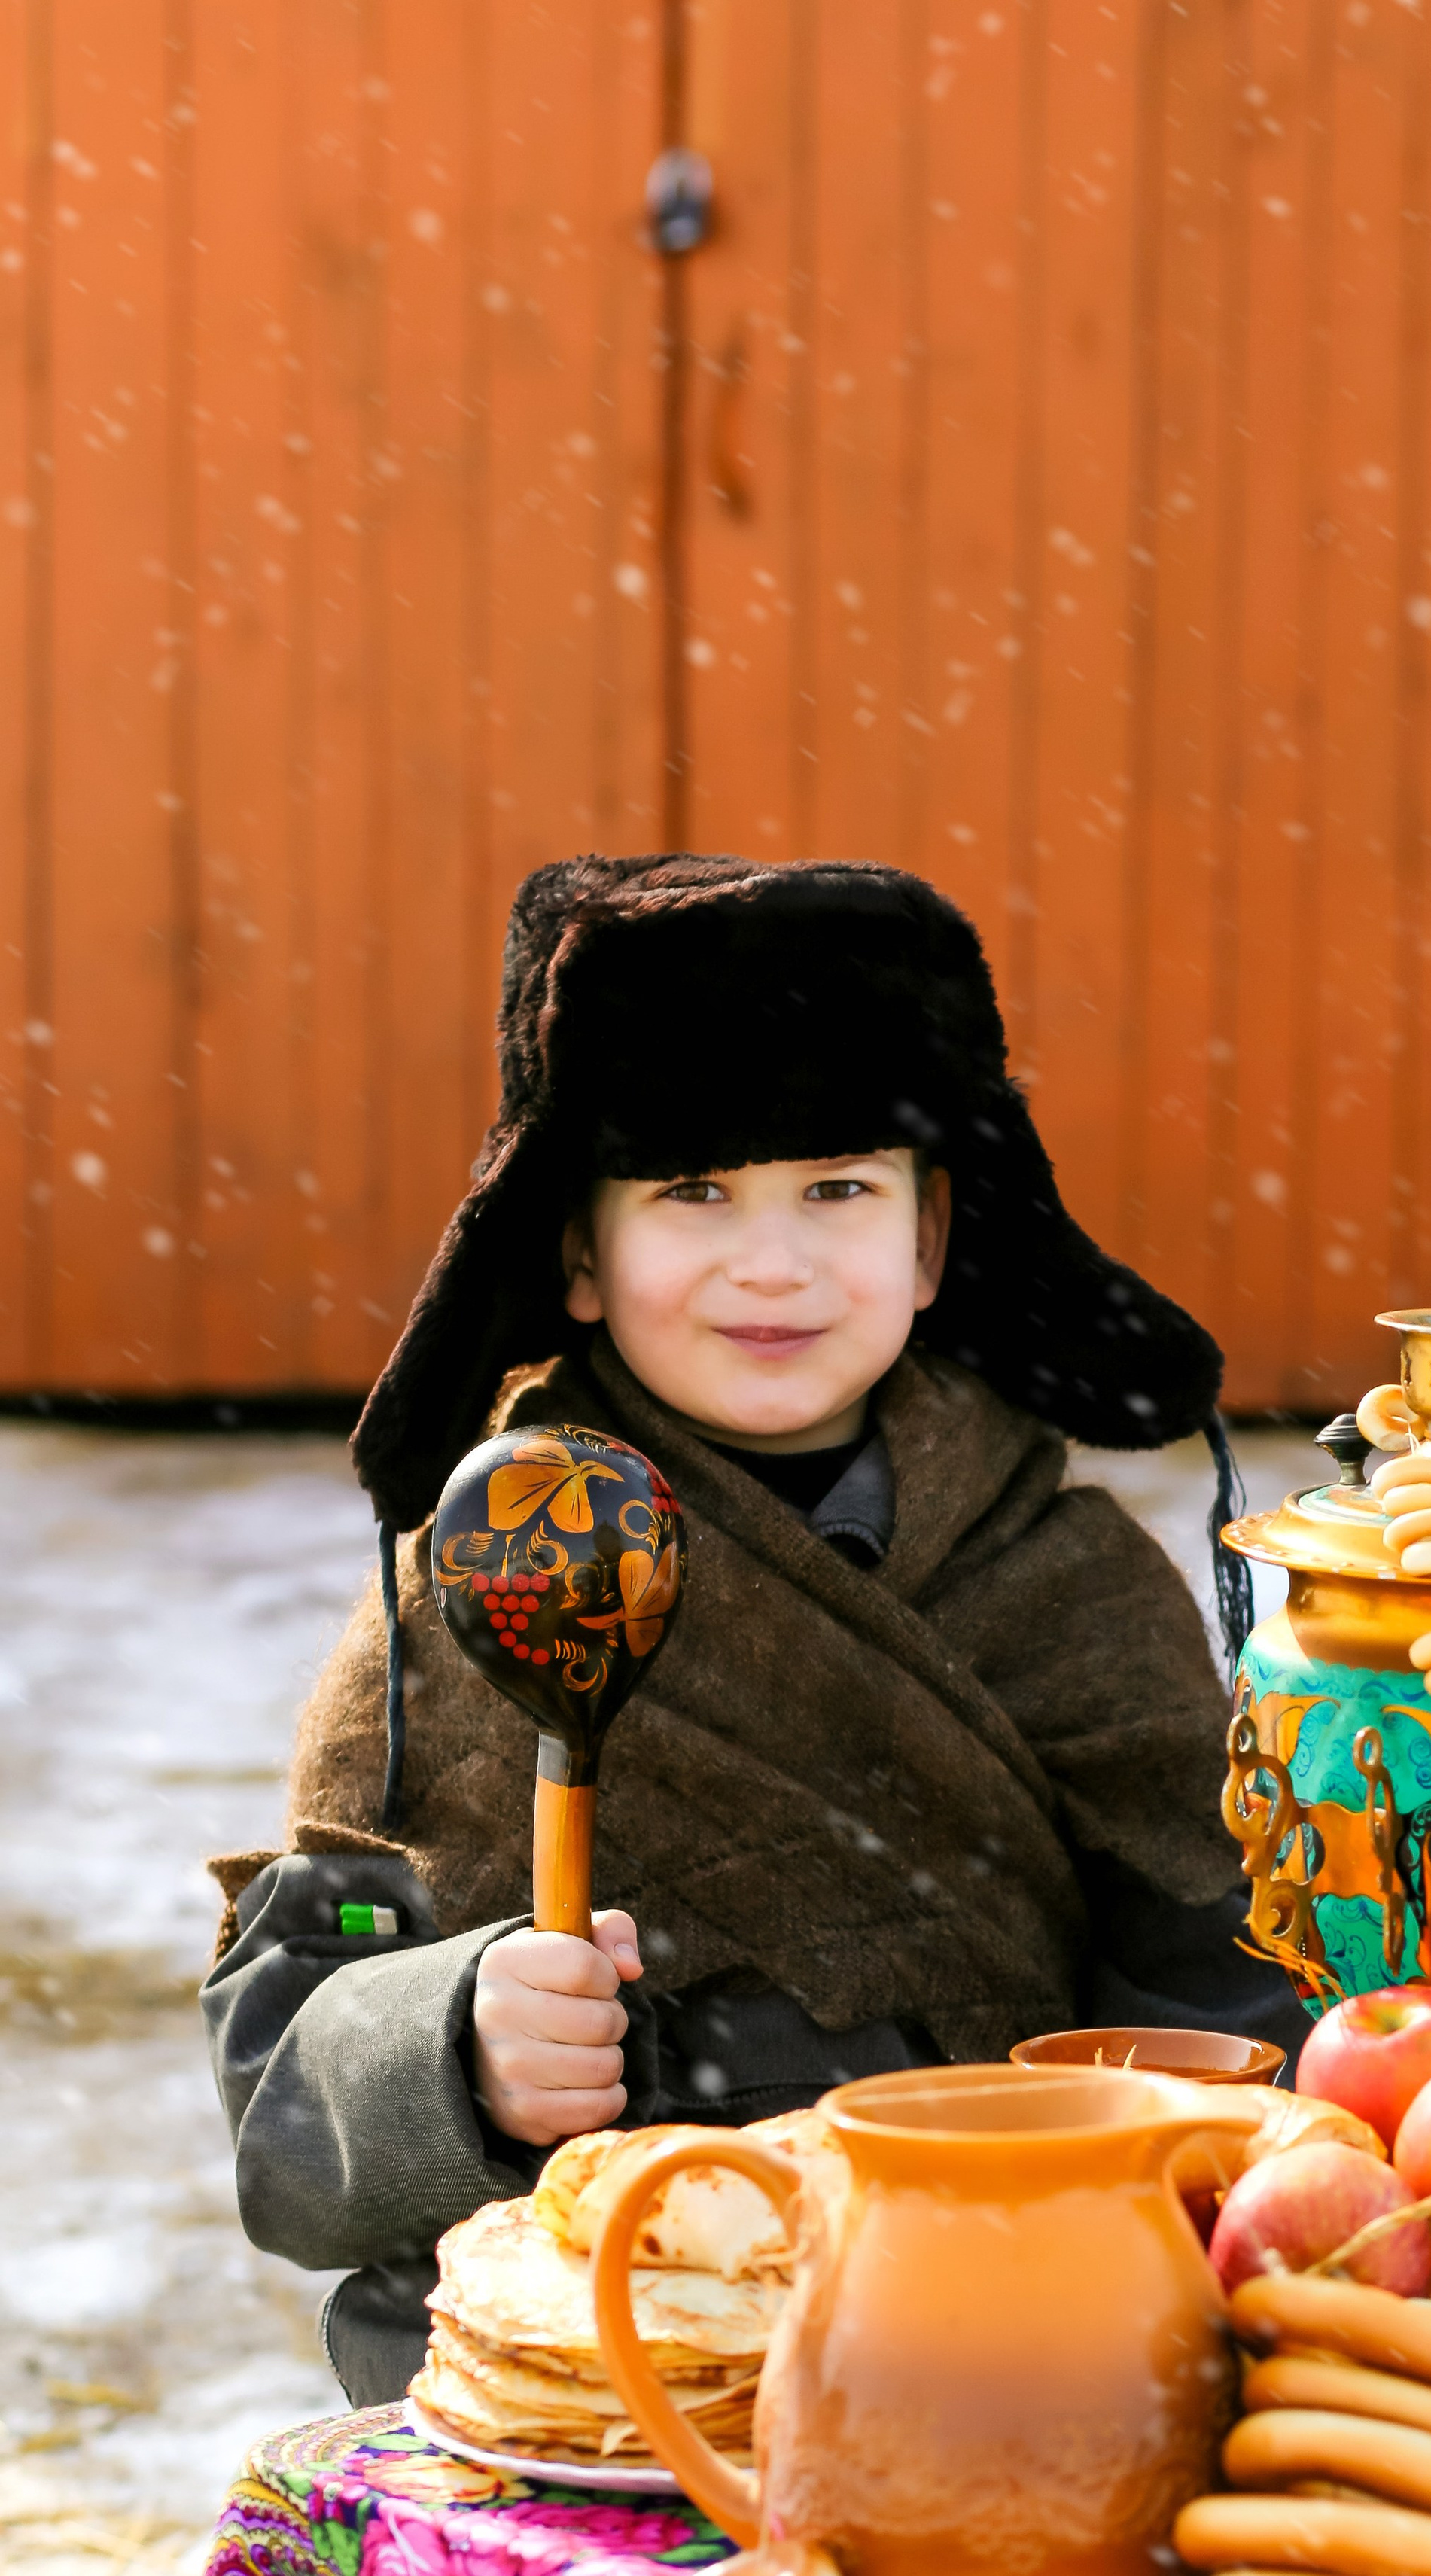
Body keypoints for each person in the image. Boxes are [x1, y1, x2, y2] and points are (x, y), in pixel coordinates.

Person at [204, 855, 1308, 2405]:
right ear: (577, 1257)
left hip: (1000, 2353)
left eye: (838, 1189)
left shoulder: (1070, 1582)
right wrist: (454, 2042)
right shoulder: (473, 1604)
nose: (772, 1261)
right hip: (580, 2391)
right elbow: (283, 2117)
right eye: (692, 1193)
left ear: (931, 1243)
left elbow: (1223, 2006)